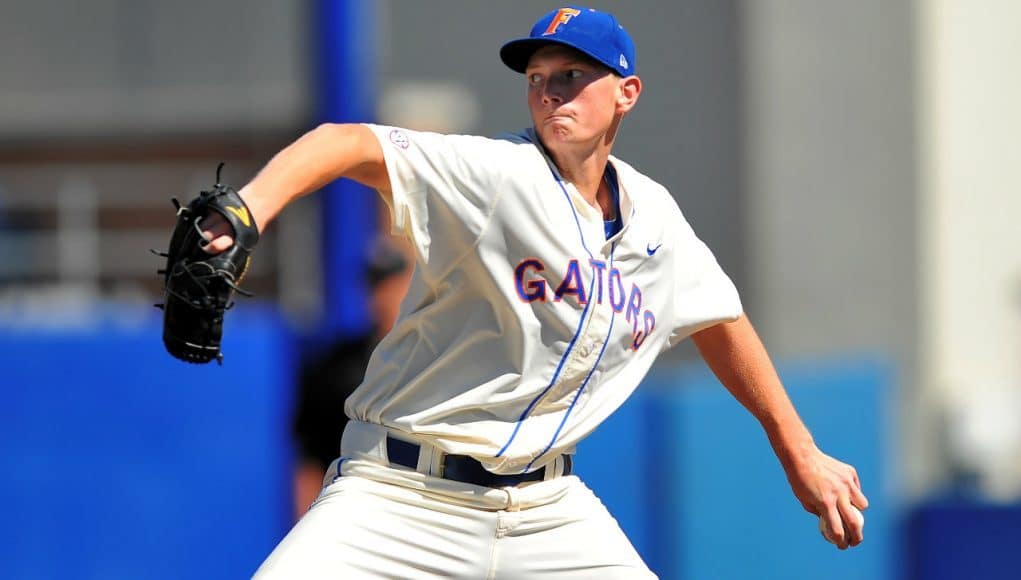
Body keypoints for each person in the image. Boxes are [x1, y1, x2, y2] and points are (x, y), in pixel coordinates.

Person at [201, 6, 868, 578]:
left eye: (573, 76)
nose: (551, 92)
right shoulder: (498, 174)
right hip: (400, 493)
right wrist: (251, 208)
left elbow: (719, 319)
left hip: (546, 512)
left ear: (627, 92)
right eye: (538, 80)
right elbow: (344, 143)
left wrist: (798, 451)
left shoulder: (656, 220)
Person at [291, 235, 411, 517]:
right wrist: (305, 517)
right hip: (354, 503)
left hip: (422, 502)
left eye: (395, 284)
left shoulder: (438, 358)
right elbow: (310, 454)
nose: (386, 295)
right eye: (377, 284)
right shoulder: (336, 365)